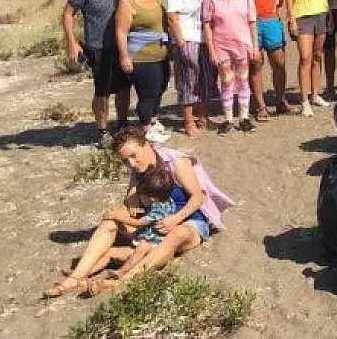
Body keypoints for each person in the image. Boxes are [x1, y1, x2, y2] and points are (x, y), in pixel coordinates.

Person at [42, 125, 233, 298]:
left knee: (176, 234)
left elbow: (198, 197)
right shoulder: (137, 170)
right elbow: (130, 200)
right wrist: (128, 203)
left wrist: (174, 220)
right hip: (154, 223)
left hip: (189, 221)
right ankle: (76, 277)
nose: (131, 164)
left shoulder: (175, 163)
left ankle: (123, 280)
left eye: (134, 156)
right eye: (126, 160)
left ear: (146, 145)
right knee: (111, 221)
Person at [62, 0, 131, 145]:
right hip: (98, 47)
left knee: (124, 87)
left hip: (123, 46)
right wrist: (72, 43)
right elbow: (68, 14)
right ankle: (102, 130)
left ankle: (123, 124)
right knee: (102, 91)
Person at [234, 0, 289, 119]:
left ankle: (280, 100)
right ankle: (261, 106)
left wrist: (279, 2)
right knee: (256, 63)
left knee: (279, 62)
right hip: (249, 22)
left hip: (271, 19)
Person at [114, 0, 170, 142]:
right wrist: (124, 57)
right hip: (140, 57)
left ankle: (153, 121)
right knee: (147, 93)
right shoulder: (127, 2)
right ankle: (145, 127)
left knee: (160, 88)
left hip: (161, 53)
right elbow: (121, 32)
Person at [202, 0, 259, 133]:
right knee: (227, 81)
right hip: (221, 47)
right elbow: (207, 25)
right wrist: (211, 50)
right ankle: (227, 119)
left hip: (242, 45)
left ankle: (244, 117)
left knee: (243, 80)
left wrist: (255, 48)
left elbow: (252, 24)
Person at [165, 0, 213, 137]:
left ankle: (202, 117)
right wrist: (181, 42)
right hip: (187, 39)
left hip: (202, 39)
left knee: (204, 79)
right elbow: (172, 17)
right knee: (187, 81)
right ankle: (189, 122)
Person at [284, 0, 331, 116]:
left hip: (320, 12)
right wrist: (291, 18)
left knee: (318, 55)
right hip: (302, 15)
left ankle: (315, 94)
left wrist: (328, 13)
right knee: (305, 57)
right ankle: (304, 100)